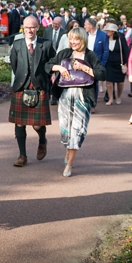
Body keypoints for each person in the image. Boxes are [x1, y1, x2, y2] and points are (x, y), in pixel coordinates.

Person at [47, 27, 106, 177]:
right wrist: (59, 67)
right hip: (65, 96)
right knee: (65, 131)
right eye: (71, 39)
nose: (73, 42)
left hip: (82, 96)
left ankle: (70, 164)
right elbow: (47, 66)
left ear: (83, 40)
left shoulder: (90, 55)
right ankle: (68, 151)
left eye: (76, 39)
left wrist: (84, 68)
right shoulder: (65, 53)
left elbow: (101, 74)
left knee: (77, 131)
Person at [8, 15, 55, 167]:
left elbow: (51, 64)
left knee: (37, 125)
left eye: (33, 27)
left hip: (39, 87)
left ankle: (42, 139)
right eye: (27, 27)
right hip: (21, 87)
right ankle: (22, 155)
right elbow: (15, 66)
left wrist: (46, 81)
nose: (29, 30)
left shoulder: (46, 45)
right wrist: (23, 79)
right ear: (23, 28)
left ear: (38, 28)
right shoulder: (17, 45)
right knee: (20, 123)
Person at [84, 18, 109, 108]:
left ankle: (93, 104)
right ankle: (85, 102)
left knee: (94, 83)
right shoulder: (84, 35)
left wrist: (102, 64)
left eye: (86, 24)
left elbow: (106, 51)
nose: (84, 26)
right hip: (84, 62)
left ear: (91, 26)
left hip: (96, 64)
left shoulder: (103, 35)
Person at [102, 22, 127, 105]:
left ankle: (119, 97)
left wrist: (125, 63)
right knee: (109, 82)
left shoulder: (121, 38)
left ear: (113, 31)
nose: (106, 32)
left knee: (120, 82)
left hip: (119, 63)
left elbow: (126, 51)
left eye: (108, 30)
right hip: (108, 63)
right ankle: (110, 99)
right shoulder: (105, 39)